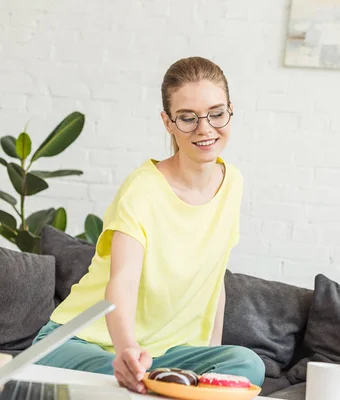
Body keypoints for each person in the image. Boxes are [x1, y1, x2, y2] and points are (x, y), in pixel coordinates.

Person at [33, 56, 265, 393]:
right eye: (187, 118)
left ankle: (156, 382)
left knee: (246, 365)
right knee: (129, 379)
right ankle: (150, 381)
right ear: (168, 122)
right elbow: (122, 281)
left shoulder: (233, 183)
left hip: (165, 355)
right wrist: (126, 349)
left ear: (231, 110)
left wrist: (209, 354)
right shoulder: (143, 188)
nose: (205, 128)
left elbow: (215, 278)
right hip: (80, 343)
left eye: (216, 113)